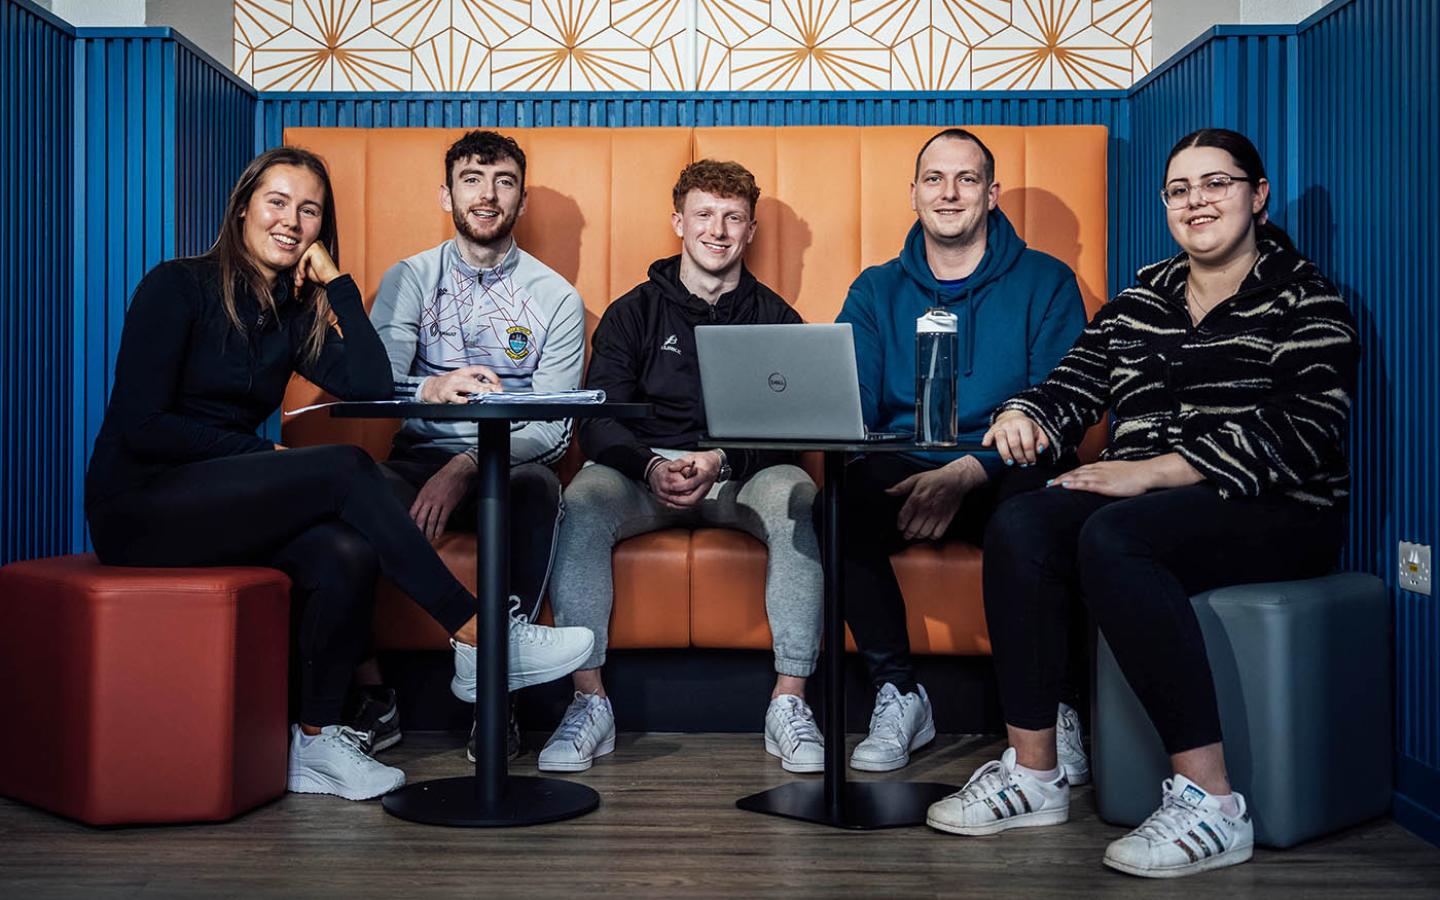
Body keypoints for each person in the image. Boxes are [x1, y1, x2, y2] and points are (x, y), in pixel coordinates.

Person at [83, 147, 594, 802]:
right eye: (277, 202)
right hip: (140, 507)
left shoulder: (291, 316)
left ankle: (317, 740)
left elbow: (374, 383)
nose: (291, 221)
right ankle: (477, 633)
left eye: (310, 211)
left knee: (344, 550)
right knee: (347, 469)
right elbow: (141, 424)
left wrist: (335, 284)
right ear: (242, 208)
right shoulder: (175, 285)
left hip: (215, 500)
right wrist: (263, 459)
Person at [926, 128, 1359, 879]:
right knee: (1024, 520)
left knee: (1115, 536)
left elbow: (1307, 432)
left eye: (1216, 184)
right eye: (1180, 190)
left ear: (1257, 197)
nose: (1197, 202)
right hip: (1145, 502)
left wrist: (1157, 470)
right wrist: (1027, 413)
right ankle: (1037, 773)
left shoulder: (1306, 298)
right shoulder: (1141, 297)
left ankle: (1212, 803)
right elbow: (1074, 382)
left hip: (1278, 508)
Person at [544, 160, 824, 773]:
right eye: (704, 215)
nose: (717, 230)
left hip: (741, 475)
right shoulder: (633, 312)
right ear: (678, 222)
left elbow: (794, 431)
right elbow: (598, 420)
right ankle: (589, 703)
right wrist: (648, 468)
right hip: (641, 476)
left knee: (800, 496)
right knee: (582, 501)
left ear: (750, 231)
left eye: (732, 218)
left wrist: (721, 459)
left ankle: (789, 703)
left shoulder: (777, 319)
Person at [835, 128, 1089, 773]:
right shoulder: (874, 289)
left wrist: (970, 470)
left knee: (1035, 519)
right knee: (832, 508)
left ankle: (1054, 706)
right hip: (908, 460)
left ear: (992, 193)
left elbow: (1066, 407)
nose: (949, 194)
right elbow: (852, 405)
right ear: (914, 193)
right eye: (934, 179)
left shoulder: (1048, 282)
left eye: (967, 179)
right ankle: (898, 693)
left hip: (1010, 467)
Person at [364, 130, 585, 762]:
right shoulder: (410, 278)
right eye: (471, 179)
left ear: (520, 200)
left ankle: (498, 698)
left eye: (504, 182)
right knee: (349, 487)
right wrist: (432, 387)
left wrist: (467, 465)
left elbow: (552, 426)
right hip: (415, 456)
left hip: (509, 465)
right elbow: (376, 388)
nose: (487, 196)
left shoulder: (556, 299)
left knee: (537, 490)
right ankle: (370, 697)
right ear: (447, 194)